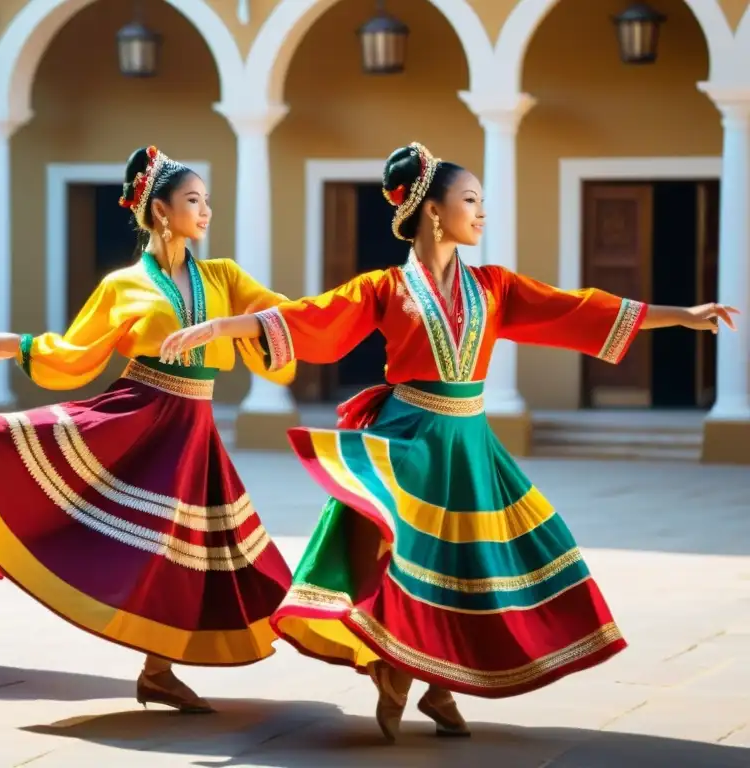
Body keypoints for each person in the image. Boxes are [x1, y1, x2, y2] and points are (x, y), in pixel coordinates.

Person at [159, 142, 739, 740]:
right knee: (408, 565)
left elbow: (576, 311)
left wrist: (679, 314)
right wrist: (224, 325)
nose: (481, 212)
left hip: (470, 445)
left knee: (476, 564)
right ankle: (395, 675)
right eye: (470, 200)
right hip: (409, 441)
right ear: (433, 211)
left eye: (481, 201)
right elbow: (316, 318)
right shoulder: (384, 288)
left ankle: (440, 686)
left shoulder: (494, 288)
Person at [0, 146, 296, 713]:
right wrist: (20, 344)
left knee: (186, 547)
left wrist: (242, 324)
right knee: (146, 541)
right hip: (140, 413)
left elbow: (283, 318)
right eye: (193, 201)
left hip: (193, 424)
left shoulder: (223, 276)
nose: (205, 213)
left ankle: (158, 670)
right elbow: (77, 350)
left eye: (208, 202)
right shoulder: (123, 284)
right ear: (159, 211)